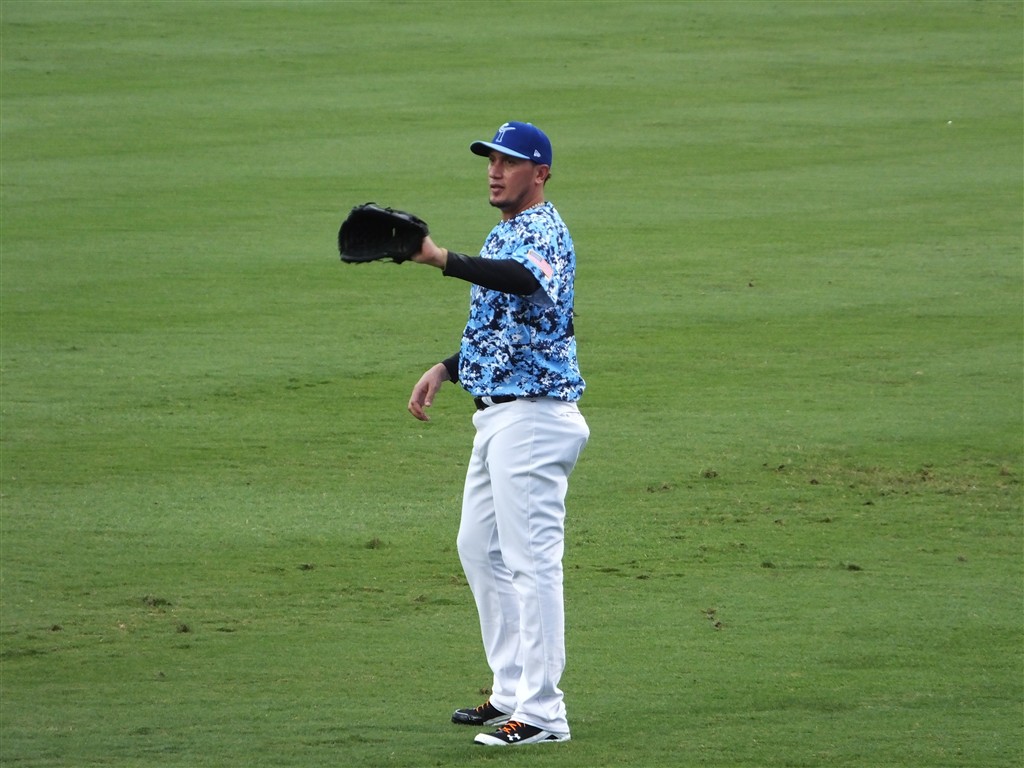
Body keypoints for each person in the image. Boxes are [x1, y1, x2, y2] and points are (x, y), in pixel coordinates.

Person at [407, 121, 589, 747]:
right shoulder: (505, 231)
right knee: (478, 547)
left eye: (508, 162)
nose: (494, 170)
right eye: (490, 160)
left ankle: (543, 713)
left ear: (540, 173)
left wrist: (442, 259)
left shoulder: (545, 231)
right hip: (499, 417)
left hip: (534, 418)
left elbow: (521, 279)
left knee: (531, 563)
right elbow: (508, 327)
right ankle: (511, 688)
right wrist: (448, 368)